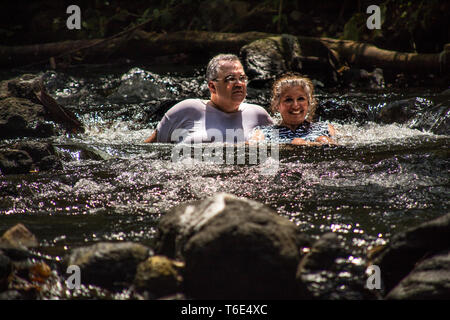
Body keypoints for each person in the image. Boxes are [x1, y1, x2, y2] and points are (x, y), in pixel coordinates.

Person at [144, 54, 274, 143]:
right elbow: (149, 150)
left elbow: (280, 148)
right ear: (212, 86)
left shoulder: (259, 115)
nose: (239, 84)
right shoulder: (187, 109)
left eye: (242, 78)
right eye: (231, 79)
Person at [250, 74, 335, 145]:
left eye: (301, 99)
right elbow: (249, 150)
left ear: (309, 103)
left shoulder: (325, 128)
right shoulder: (264, 133)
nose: (295, 105)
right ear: (277, 105)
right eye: (288, 100)